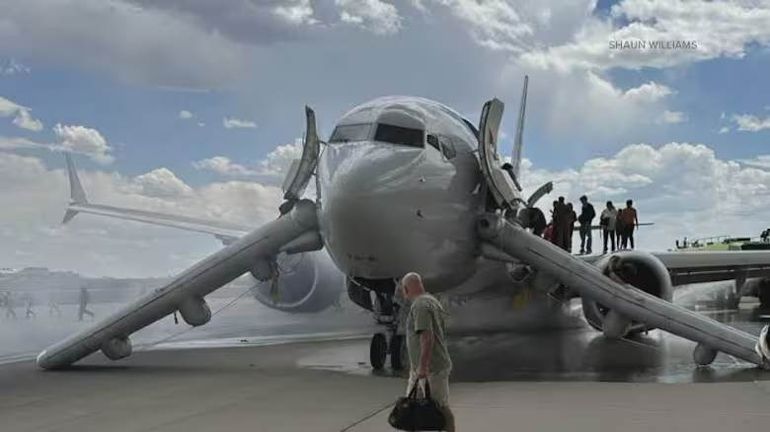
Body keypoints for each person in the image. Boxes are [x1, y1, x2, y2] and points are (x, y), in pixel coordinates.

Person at [401, 272, 455, 432]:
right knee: (411, 406)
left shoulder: (419, 305)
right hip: (425, 367)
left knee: (440, 407)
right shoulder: (432, 301)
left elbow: (427, 337)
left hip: (431, 368)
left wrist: (423, 367)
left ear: (406, 289)